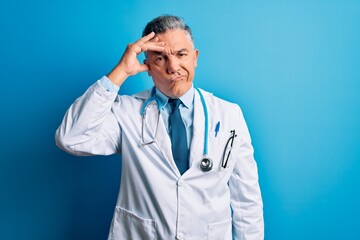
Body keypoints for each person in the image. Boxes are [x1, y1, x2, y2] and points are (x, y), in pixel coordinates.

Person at [56, 15, 264, 240]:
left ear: (195, 57)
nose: (173, 67)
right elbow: (71, 138)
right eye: (160, 58)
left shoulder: (229, 114)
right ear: (146, 65)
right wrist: (121, 71)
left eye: (181, 54)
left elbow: (246, 201)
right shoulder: (126, 112)